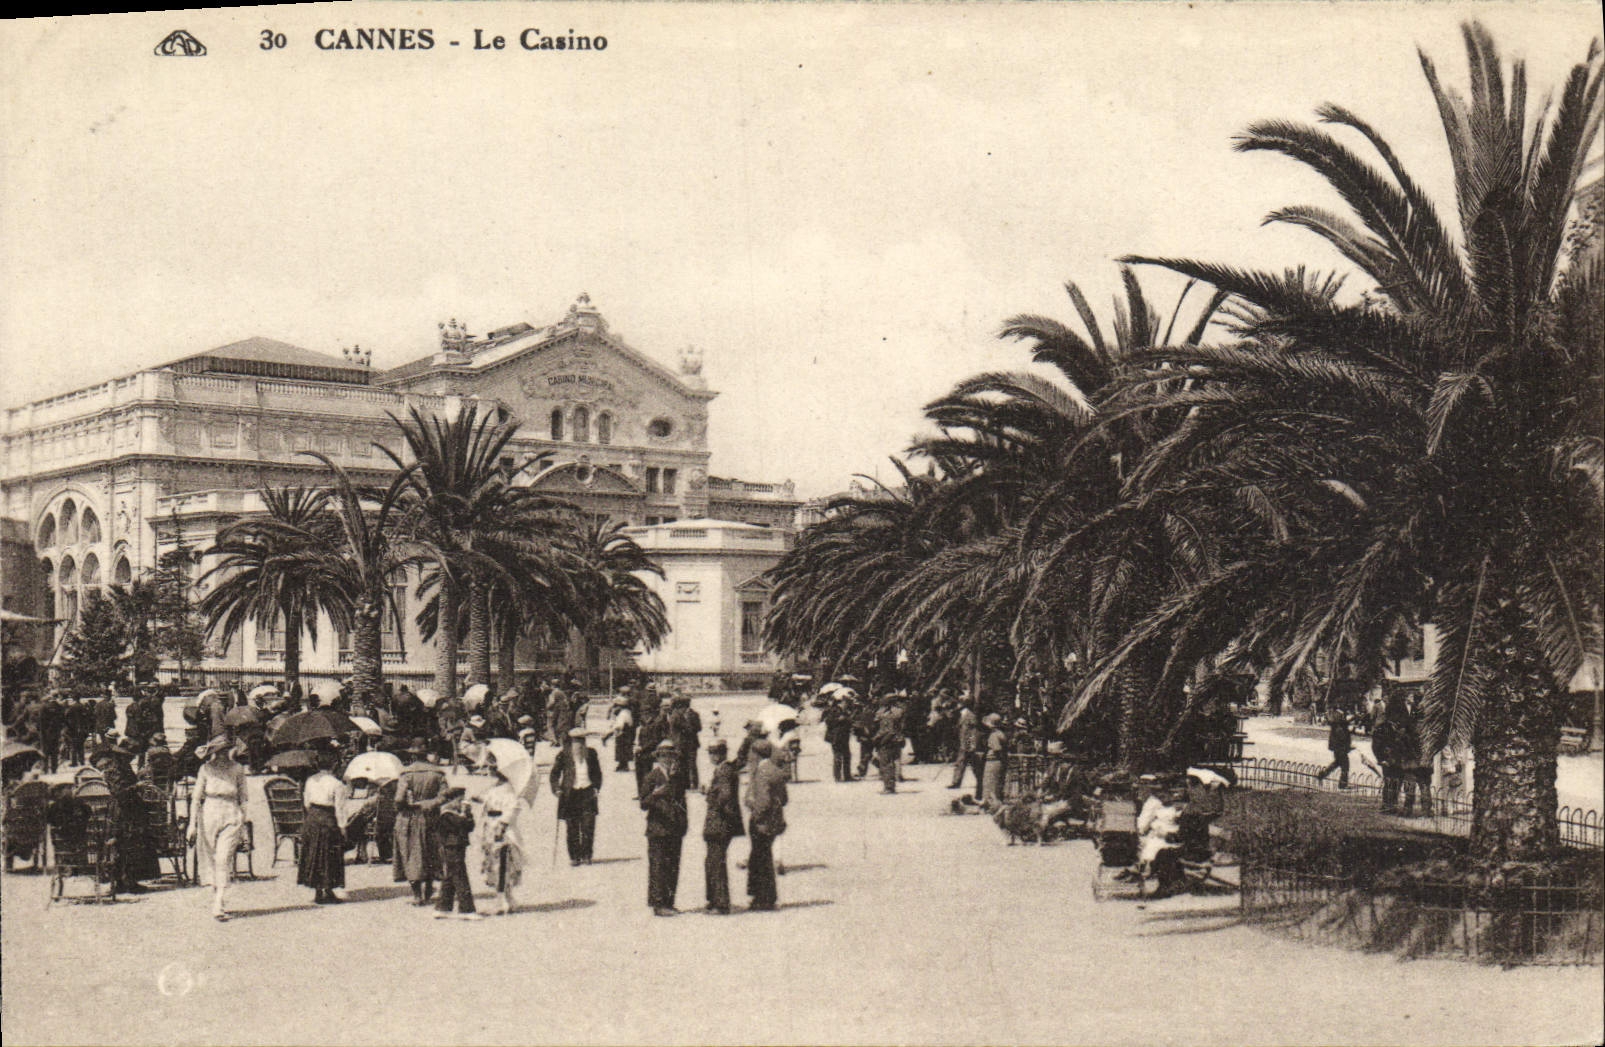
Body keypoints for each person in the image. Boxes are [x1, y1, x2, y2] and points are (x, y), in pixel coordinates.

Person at [187, 735, 249, 921]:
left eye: (225, 751)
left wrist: (244, 822)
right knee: (211, 859)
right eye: (218, 752)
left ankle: (219, 901)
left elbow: (244, 798)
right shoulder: (205, 769)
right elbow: (196, 799)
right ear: (212, 753)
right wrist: (192, 825)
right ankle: (217, 895)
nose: (222, 755)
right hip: (210, 812)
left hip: (231, 812)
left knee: (223, 859)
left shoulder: (238, 769)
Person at [392, 740, 446, 905]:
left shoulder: (406, 774)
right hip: (431, 817)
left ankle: (417, 894)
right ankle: (429, 889)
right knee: (430, 852)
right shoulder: (438, 773)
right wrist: (428, 804)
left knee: (410, 853)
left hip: (410, 817)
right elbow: (444, 796)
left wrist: (403, 805)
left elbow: (399, 799)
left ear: (412, 755)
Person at [298, 746, 350, 904]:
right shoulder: (337, 784)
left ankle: (318, 891)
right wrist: (343, 829)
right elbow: (340, 809)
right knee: (329, 855)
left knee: (314, 854)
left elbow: (307, 803)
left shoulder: (310, 780)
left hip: (312, 819)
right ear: (334, 764)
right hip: (328, 820)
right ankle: (328, 889)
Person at [640, 738, 686, 915]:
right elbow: (643, 803)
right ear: (658, 758)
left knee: (673, 865)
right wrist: (655, 794)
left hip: (674, 827)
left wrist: (683, 822)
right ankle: (658, 904)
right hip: (657, 827)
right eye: (664, 756)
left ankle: (669, 901)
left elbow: (682, 801)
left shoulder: (677, 777)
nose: (668, 760)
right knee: (658, 866)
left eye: (671, 756)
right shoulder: (651, 777)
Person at [478, 754, 525, 915]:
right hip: (490, 827)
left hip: (501, 829)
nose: (490, 771)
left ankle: (503, 899)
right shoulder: (494, 787)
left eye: (492, 768)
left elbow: (514, 807)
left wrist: (504, 823)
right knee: (494, 863)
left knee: (503, 864)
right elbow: (486, 799)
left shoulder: (508, 788)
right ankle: (504, 898)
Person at [745, 739, 788, 911]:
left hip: (762, 822)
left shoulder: (761, 772)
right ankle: (767, 897)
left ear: (755, 754)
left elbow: (763, 802)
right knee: (765, 858)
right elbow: (784, 799)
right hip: (775, 821)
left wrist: (755, 812)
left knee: (760, 859)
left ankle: (763, 898)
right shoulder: (776, 771)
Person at [701, 739, 743, 914]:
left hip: (720, 822)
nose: (711, 756)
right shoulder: (726, 769)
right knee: (712, 861)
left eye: (713, 752)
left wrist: (710, 796)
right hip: (722, 822)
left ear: (720, 754)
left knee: (716, 862)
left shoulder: (724, 771)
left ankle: (721, 903)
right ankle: (714, 899)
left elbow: (725, 795)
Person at [551, 727, 603, 865]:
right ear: (571, 742)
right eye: (576, 741)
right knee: (572, 827)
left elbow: (597, 773)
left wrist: (597, 787)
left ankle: (587, 855)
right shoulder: (564, 754)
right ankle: (574, 856)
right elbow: (554, 774)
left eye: (582, 741)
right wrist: (556, 789)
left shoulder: (591, 754)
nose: (579, 745)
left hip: (587, 792)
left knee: (588, 825)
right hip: (570, 795)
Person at [434, 787, 482, 920]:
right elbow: (458, 825)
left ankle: (442, 908)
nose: (461, 802)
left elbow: (470, 826)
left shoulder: (456, 812)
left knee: (449, 877)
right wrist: (463, 814)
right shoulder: (446, 813)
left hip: (458, 846)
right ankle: (467, 910)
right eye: (460, 799)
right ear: (452, 800)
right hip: (451, 847)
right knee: (460, 877)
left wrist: (467, 814)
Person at [873, 695, 906, 794]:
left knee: (886, 763)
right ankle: (891, 783)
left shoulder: (882, 712)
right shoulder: (899, 711)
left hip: (887, 740)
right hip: (896, 739)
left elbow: (884, 729)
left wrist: (876, 738)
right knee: (893, 761)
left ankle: (889, 787)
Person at [1315, 706, 1354, 788]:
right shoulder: (1340, 728)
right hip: (1341, 750)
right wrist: (1349, 747)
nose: (1344, 717)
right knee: (1345, 766)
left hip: (1337, 750)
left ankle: (1322, 774)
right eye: (1342, 716)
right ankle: (1343, 784)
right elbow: (1343, 739)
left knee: (1336, 763)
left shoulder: (1336, 726)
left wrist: (1353, 718)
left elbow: (1345, 723)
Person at [949, 700, 983, 792]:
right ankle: (956, 782)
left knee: (974, 764)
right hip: (963, 743)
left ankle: (981, 781)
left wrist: (973, 744)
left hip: (968, 744)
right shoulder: (961, 715)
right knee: (961, 762)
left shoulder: (970, 716)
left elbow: (974, 732)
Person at [671, 696, 703, 791]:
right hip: (681, 743)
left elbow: (699, 728)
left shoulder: (693, 714)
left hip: (691, 743)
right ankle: (686, 784)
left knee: (691, 764)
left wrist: (690, 725)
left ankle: (693, 783)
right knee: (682, 764)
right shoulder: (675, 715)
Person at [824, 699, 855, 782]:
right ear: (841, 702)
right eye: (846, 702)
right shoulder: (834, 710)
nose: (847, 704)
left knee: (847, 756)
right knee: (838, 756)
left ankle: (847, 776)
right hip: (836, 737)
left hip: (844, 737)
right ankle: (837, 777)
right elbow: (828, 721)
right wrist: (838, 719)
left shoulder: (846, 711)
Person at [979, 713, 1007, 806]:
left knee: (990, 783)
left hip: (993, 761)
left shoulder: (994, 735)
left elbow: (997, 749)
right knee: (996, 783)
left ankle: (989, 803)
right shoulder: (1000, 733)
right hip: (998, 761)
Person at [606, 695, 635, 772]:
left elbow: (619, 726)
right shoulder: (626, 712)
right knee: (621, 749)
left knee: (622, 749)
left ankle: (624, 765)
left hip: (623, 734)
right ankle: (622, 764)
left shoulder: (623, 714)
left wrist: (609, 732)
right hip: (624, 734)